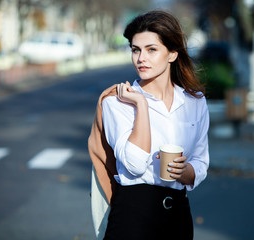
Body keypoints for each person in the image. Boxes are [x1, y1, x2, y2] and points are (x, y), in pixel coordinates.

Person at [89, 10, 209, 240]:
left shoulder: (195, 102)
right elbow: (134, 164)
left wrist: (185, 173)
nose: (141, 58)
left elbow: (201, 161)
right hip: (133, 214)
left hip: (178, 216)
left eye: (151, 49)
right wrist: (141, 105)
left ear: (172, 53)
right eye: (136, 50)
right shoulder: (116, 102)